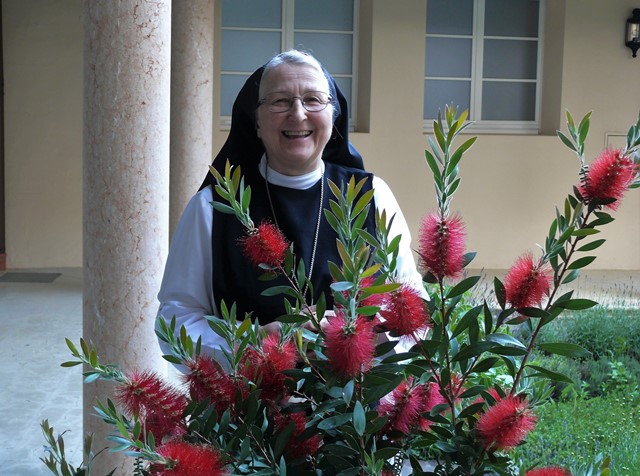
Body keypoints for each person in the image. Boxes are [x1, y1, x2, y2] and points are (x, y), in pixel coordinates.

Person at [157, 50, 425, 367]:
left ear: (333, 117)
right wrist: (253, 342)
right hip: (250, 394)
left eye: (313, 100)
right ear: (256, 122)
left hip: (359, 394)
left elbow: (414, 309)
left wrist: (357, 335)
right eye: (280, 101)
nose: (298, 114)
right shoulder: (212, 208)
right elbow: (176, 318)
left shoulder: (373, 195)